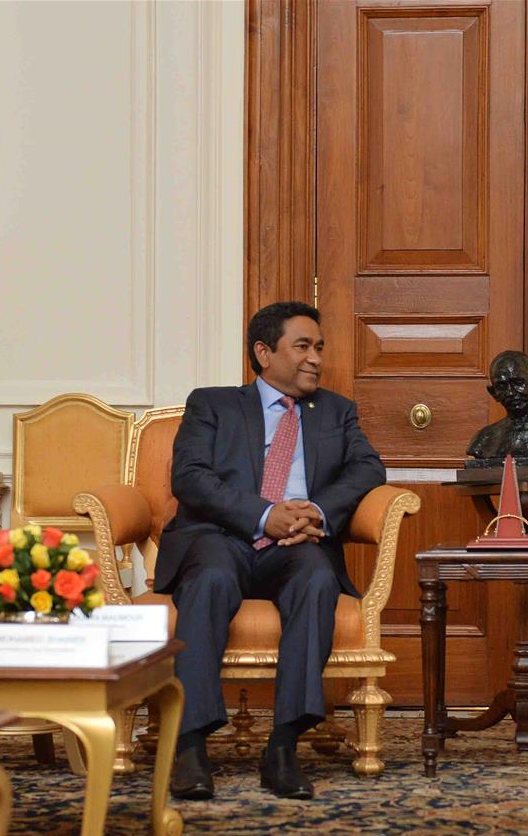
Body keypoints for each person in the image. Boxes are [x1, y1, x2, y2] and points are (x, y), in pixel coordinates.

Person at [157, 301, 385, 800]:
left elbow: (368, 469)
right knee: (211, 577)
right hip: (222, 536)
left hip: (298, 543)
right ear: (264, 352)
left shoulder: (336, 411)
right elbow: (190, 477)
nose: (316, 359)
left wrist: (316, 512)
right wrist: (264, 513)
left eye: (319, 347)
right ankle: (190, 746)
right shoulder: (213, 404)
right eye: (302, 346)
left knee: (317, 577)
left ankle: (283, 747)